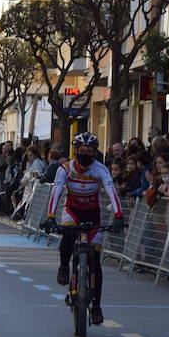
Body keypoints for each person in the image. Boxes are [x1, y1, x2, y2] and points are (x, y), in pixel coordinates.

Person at [44, 132, 123, 326]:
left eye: (89, 151)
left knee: (95, 262)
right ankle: (64, 266)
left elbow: (112, 191)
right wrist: (51, 217)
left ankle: (96, 306)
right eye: (82, 151)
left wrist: (119, 216)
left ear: (95, 153)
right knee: (69, 236)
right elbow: (56, 191)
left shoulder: (100, 170)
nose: (85, 154)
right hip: (72, 211)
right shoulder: (65, 169)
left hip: (93, 214)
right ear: (75, 151)